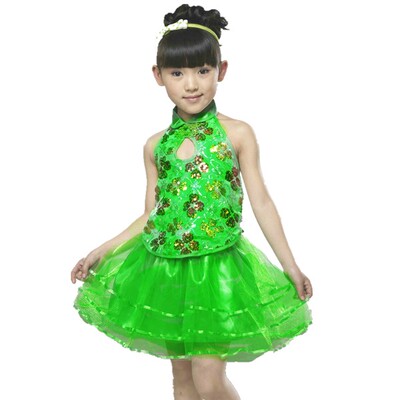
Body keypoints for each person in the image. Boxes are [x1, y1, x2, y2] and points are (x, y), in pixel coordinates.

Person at [71, 4, 313, 400]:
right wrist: (102, 250)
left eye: (202, 70)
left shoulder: (237, 134)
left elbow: (262, 203)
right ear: (158, 76)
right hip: (165, 269)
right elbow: (152, 214)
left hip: (217, 270)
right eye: (177, 73)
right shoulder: (155, 146)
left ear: (221, 70)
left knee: (208, 379)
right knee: (183, 382)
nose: (191, 84)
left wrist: (291, 266)